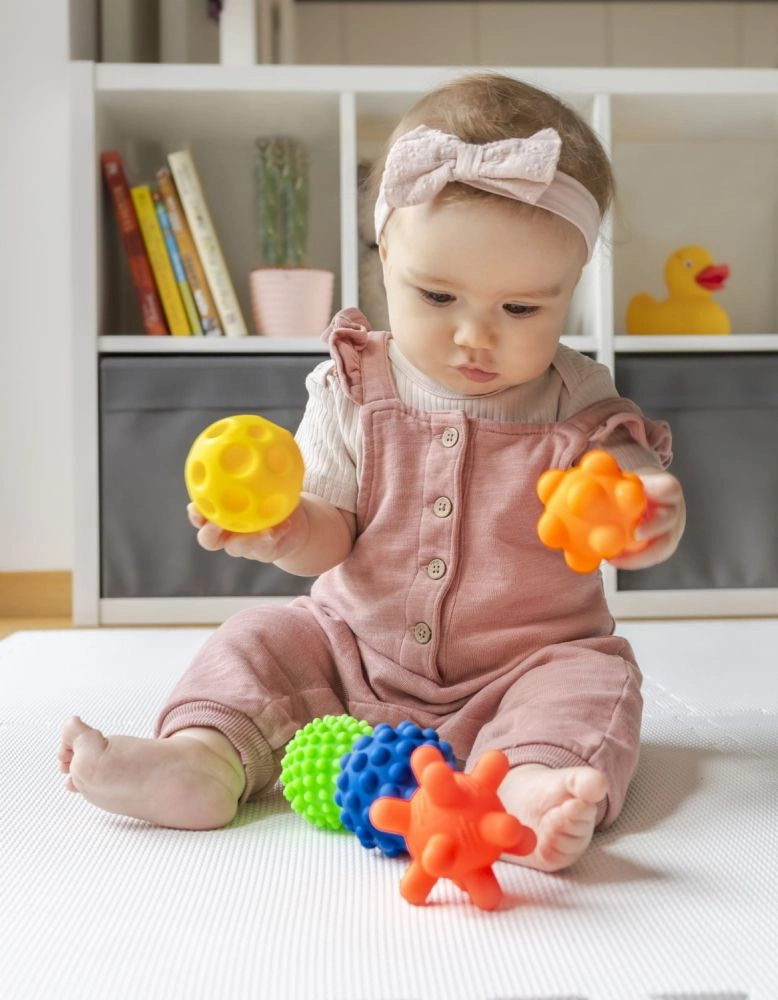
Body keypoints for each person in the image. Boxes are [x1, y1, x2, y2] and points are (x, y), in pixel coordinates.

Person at [60, 73, 685, 873]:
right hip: (350, 655)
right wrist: (287, 529)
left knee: (594, 680)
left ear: (572, 285)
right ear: (386, 254)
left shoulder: (577, 397)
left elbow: (624, 465)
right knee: (260, 637)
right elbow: (331, 536)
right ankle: (203, 757)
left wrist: (648, 507)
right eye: (438, 296)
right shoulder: (351, 384)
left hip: (521, 673)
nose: (474, 337)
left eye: (522, 309)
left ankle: (526, 786)